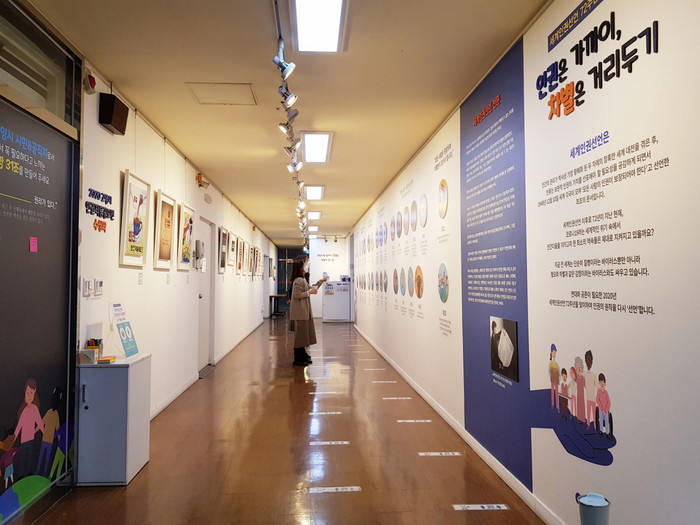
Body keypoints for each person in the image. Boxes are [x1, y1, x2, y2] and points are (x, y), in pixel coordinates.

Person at [289, 254, 327, 366]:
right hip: (300, 312)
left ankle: (303, 356)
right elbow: (296, 295)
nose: (307, 265)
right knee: (300, 336)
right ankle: (298, 358)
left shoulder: (302, 279)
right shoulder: (298, 280)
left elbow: (311, 288)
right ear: (301, 267)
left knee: (303, 335)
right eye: (306, 264)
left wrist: (320, 281)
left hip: (304, 310)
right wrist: (309, 292)